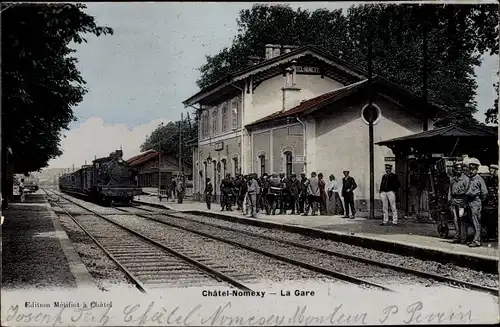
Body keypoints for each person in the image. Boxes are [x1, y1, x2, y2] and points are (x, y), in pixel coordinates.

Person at [465, 158, 488, 247]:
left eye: (473, 169)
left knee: (476, 222)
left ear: (476, 169)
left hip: (475, 201)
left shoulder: (479, 179)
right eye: (470, 169)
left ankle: (477, 241)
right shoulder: (470, 179)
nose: (471, 171)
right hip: (470, 201)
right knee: (472, 221)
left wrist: (479, 200)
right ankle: (476, 238)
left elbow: (484, 193)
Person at [448, 162, 470, 244]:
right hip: (454, 201)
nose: (458, 171)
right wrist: (449, 200)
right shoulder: (453, 179)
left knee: (462, 219)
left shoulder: (466, 179)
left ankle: (463, 238)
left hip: (462, 202)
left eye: (460, 169)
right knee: (455, 220)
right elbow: (450, 191)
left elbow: (468, 191)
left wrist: (466, 203)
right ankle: (457, 236)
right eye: (457, 169)